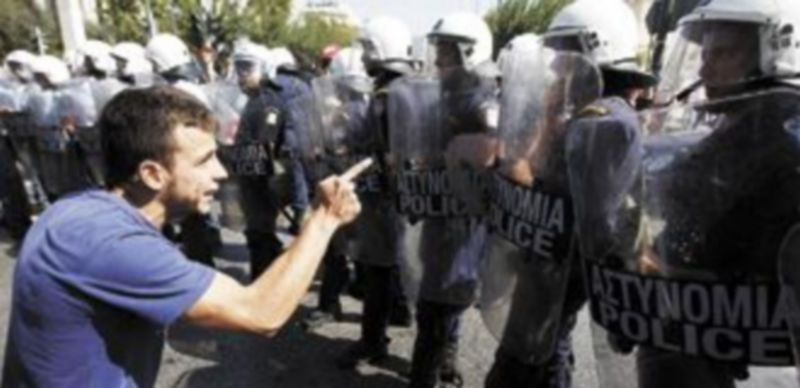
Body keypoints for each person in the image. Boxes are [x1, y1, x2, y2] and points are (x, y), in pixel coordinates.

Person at [1, 85, 369, 387]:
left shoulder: (80, 211)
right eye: (203, 160)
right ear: (152, 174)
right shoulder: (111, 244)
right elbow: (261, 312)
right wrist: (324, 219)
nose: (221, 172)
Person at [569, 0, 800, 386]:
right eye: (704, 54)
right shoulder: (727, 137)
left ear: (774, 52)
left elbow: (759, 273)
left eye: (723, 53)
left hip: (710, 348)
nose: (705, 68)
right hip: (677, 335)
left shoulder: (778, 156)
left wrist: (659, 280)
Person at [392, 12, 498, 388]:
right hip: (438, 213)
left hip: (462, 217)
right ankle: (446, 362)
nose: (438, 61)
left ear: (470, 52)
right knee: (439, 295)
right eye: (438, 50)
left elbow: (490, 156)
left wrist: (456, 151)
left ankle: (426, 376)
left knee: (438, 304)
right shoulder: (445, 97)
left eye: (447, 53)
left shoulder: (483, 101)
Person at [335, 15, 417, 369]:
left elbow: (391, 155)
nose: (365, 57)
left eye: (368, 48)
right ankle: (392, 321)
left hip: (383, 198)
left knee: (376, 271)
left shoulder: (386, 95)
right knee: (388, 269)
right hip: (398, 198)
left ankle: (371, 342)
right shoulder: (407, 87)